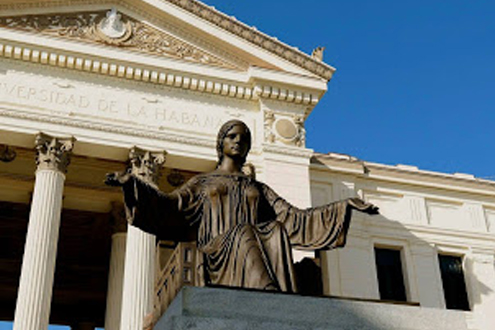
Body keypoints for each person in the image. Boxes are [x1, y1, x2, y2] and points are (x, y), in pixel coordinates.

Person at [105, 120, 379, 292]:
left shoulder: (256, 187)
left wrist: (343, 207)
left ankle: (273, 293)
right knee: (245, 232)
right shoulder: (203, 182)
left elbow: (294, 218)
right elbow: (171, 204)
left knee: (273, 230)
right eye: (232, 136)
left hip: (249, 245)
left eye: (243, 138)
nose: (237, 141)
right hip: (214, 251)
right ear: (221, 142)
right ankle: (267, 291)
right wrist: (133, 184)